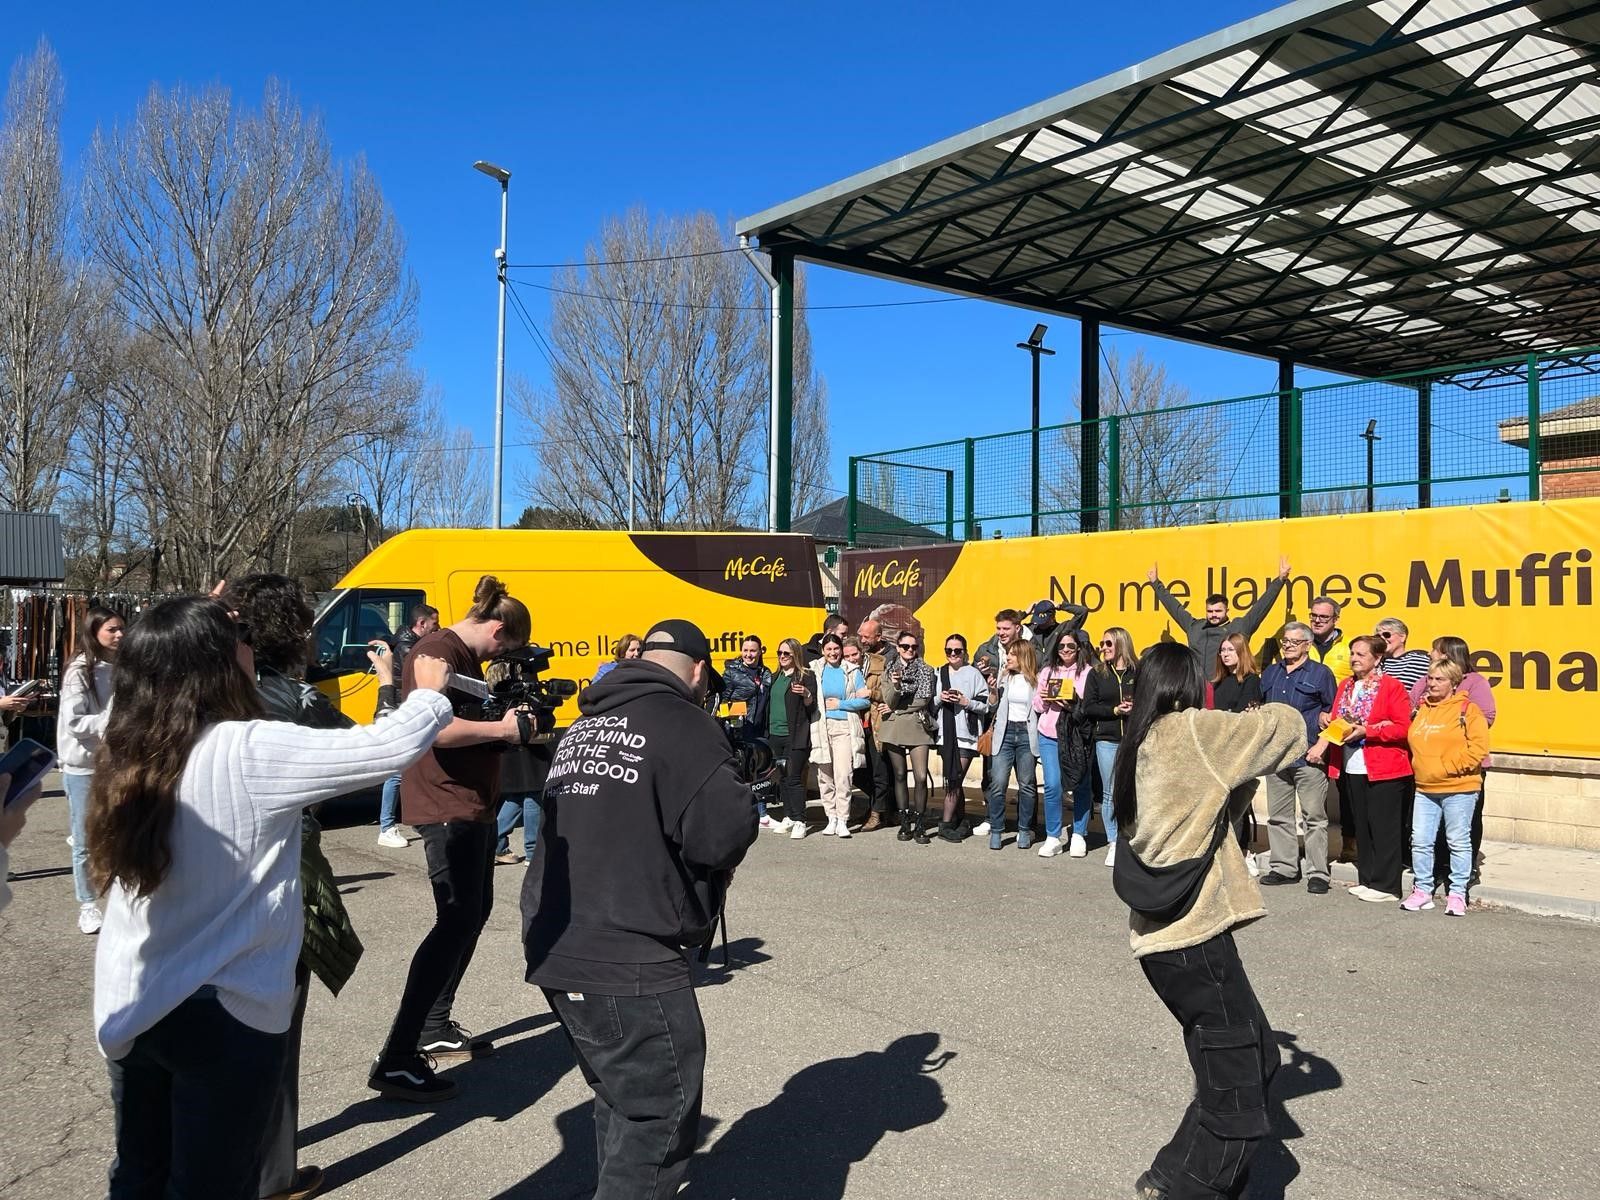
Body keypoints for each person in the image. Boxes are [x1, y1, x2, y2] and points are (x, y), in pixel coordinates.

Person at [89, 596, 454, 1200]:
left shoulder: (124, 742)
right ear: (217, 662)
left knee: (138, 1174)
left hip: (133, 1001)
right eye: (239, 640)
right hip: (224, 1013)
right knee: (213, 1185)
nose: (250, 650)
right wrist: (428, 691)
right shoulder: (245, 748)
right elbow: (382, 751)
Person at [521, 618, 757, 1199]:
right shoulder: (686, 724)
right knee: (659, 1111)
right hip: (628, 951)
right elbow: (723, 835)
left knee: (620, 1099)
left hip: (558, 943)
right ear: (699, 671)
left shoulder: (585, 725)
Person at [1113, 643, 1307, 1200]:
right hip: (1194, 939)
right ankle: (1196, 1189)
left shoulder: (1139, 741)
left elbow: (1217, 794)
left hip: (1160, 941)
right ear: (1189, 685)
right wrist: (1258, 707)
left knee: (1249, 1056)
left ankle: (1169, 1173)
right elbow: (1289, 728)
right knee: (1240, 1084)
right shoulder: (1195, 731)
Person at [226, 572, 394, 1200]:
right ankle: (273, 1175)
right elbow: (372, 755)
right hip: (283, 869)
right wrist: (388, 688)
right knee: (278, 1018)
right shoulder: (299, 700)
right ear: (296, 630)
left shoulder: (208, 694)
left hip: (215, 874)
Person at [370, 575, 535, 1102]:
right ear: (497, 625)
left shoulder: (460, 655)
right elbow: (433, 729)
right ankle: (398, 1054)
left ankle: (434, 1025)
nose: (500, 655)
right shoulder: (437, 650)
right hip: (447, 805)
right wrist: (504, 731)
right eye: (504, 644)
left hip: (469, 801)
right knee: (456, 920)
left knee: (472, 914)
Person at [1307, 635, 1413, 903]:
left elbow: (1403, 727)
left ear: (1377, 659)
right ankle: (1367, 878)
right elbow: (1339, 722)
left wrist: (1368, 730)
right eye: (1353, 653)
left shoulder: (1391, 687)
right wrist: (1325, 733)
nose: (1354, 659)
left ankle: (1387, 886)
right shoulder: (1345, 685)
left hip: (1384, 765)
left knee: (1384, 826)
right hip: (1351, 764)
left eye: (1361, 654)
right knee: (1362, 824)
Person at [1403, 660, 1491, 917]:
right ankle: (1422, 890)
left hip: (1459, 788)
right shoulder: (1422, 710)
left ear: (1454, 683)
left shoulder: (1468, 710)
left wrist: (1446, 767)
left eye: (1439, 679)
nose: (1431, 684)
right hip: (1425, 788)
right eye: (1430, 678)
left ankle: (1457, 893)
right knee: (1420, 841)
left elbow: (1478, 750)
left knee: (1458, 841)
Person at [57, 606, 125, 935]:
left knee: (116, 832)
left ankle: (119, 897)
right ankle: (87, 904)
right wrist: (110, 721)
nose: (119, 635)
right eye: (112, 629)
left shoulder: (121, 668)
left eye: (121, 629)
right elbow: (74, 721)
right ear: (94, 631)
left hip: (115, 763)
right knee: (84, 840)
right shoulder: (80, 671)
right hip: (83, 766)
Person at [1258, 622, 1337, 893]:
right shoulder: (1270, 672)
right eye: (1285, 641)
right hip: (1277, 757)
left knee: (1314, 817)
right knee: (1279, 817)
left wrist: (1322, 746)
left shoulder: (1321, 674)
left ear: (1307, 645)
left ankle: (1318, 873)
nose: (1288, 646)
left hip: (1309, 755)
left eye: (1294, 641)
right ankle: (1284, 867)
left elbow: (1334, 715)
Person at [1148, 557, 1290, 668]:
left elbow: (1262, 606)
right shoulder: (1195, 627)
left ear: (1227, 610)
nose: (1213, 615)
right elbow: (1174, 607)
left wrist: (1280, 580)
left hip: (1226, 689)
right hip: (1198, 690)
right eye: (1209, 611)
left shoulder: (1240, 627)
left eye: (1218, 611)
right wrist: (1155, 583)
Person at [378, 603, 440, 849]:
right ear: (421, 624)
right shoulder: (408, 649)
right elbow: (413, 681)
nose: (437, 628)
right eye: (434, 624)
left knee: (413, 768)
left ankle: (414, 817)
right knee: (397, 772)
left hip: (403, 710)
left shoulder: (407, 644)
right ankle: (386, 827)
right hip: (401, 711)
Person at [1208, 633, 1265, 876]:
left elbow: (1243, 714)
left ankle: (1243, 851)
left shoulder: (1250, 680)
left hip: (1238, 750)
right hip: (1216, 749)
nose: (1226, 654)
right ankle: (1219, 850)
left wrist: (1226, 716)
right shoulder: (1217, 683)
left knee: (1239, 804)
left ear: (1241, 652)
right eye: (1223, 650)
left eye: (1231, 649)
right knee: (1218, 804)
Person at [1033, 628, 1092, 858]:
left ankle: (1078, 833)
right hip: (1049, 733)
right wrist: (1046, 698)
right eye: (1062, 646)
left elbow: (1088, 705)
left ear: (1078, 648)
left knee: (1080, 784)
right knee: (1052, 785)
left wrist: (1071, 703)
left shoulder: (1087, 672)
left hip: (1076, 734)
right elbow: (1037, 705)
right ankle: (1053, 835)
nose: (1066, 650)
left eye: (1070, 646)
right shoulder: (1047, 671)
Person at [1082, 627, 1138, 866]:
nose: (1102, 648)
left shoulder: (1139, 672)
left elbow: (1148, 701)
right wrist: (1114, 711)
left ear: (1121, 644)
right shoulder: (1097, 674)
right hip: (1106, 739)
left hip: (1134, 739)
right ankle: (1114, 841)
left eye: (1108, 644)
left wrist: (1136, 709)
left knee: (1133, 791)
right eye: (1102, 644)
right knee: (1109, 793)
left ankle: (1133, 839)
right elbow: (1089, 707)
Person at [877, 630, 936, 844]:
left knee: (920, 777)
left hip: (918, 725)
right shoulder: (889, 670)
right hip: (893, 728)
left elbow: (923, 699)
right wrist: (897, 685)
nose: (910, 650)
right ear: (898, 647)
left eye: (913, 647)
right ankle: (904, 821)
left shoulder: (926, 670)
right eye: (905, 647)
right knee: (899, 774)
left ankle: (920, 822)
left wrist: (898, 710)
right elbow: (889, 700)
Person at [808, 633, 869, 838]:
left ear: (841, 650)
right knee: (824, 775)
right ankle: (831, 817)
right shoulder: (815, 669)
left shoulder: (852, 671)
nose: (833, 653)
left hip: (844, 727)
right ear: (823, 651)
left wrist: (840, 704)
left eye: (836, 649)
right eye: (829, 649)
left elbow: (864, 701)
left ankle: (843, 819)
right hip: (821, 726)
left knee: (843, 774)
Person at [931, 634, 989, 843]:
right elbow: (931, 703)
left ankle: (945, 824)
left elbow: (985, 705)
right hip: (945, 734)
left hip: (966, 735)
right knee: (954, 778)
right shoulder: (940, 672)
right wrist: (941, 698)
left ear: (965, 651)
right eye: (949, 651)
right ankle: (959, 820)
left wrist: (966, 702)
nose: (953, 655)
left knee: (954, 779)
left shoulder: (974, 674)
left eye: (957, 651)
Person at [983, 641, 1039, 851]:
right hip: (1004, 734)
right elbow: (993, 706)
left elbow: (1039, 708)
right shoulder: (1005, 676)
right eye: (1008, 654)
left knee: (1026, 785)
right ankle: (997, 830)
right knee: (998, 784)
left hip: (1026, 734)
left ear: (1024, 656)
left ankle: (1024, 830)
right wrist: (992, 691)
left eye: (1013, 655)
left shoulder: (1036, 680)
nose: (1008, 658)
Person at [764, 637, 816, 839]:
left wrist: (806, 694)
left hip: (796, 735)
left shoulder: (805, 676)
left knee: (794, 778)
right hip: (775, 735)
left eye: (787, 653)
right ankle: (788, 815)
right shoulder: (775, 676)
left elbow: (812, 706)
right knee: (783, 778)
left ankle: (800, 820)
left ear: (795, 655)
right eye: (780, 653)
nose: (782, 657)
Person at [855, 617, 896, 832]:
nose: (862, 639)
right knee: (858, 769)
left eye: (866, 636)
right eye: (860, 635)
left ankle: (877, 813)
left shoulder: (889, 659)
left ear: (879, 637)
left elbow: (891, 692)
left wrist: (874, 694)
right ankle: (878, 805)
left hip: (877, 721)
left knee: (880, 769)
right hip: (856, 721)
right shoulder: (857, 657)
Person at [1023, 597, 1090, 668]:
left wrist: (1061, 606)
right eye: (1038, 620)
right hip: (1033, 675)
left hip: (1054, 674)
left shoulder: (1063, 629)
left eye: (1044, 621)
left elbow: (1083, 611)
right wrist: (1025, 613)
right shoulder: (1032, 629)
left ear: (1052, 617)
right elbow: (1013, 625)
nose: (1041, 624)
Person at [1375, 618, 1431, 692]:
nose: (1382, 639)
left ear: (1402, 637)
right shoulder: (1375, 662)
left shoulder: (1420, 660)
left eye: (1386, 634)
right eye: (1378, 636)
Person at [1306, 595, 1352, 682]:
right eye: (1314, 615)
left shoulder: (1350, 646)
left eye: (1324, 617)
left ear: (1335, 619)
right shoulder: (1300, 644)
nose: (1317, 621)